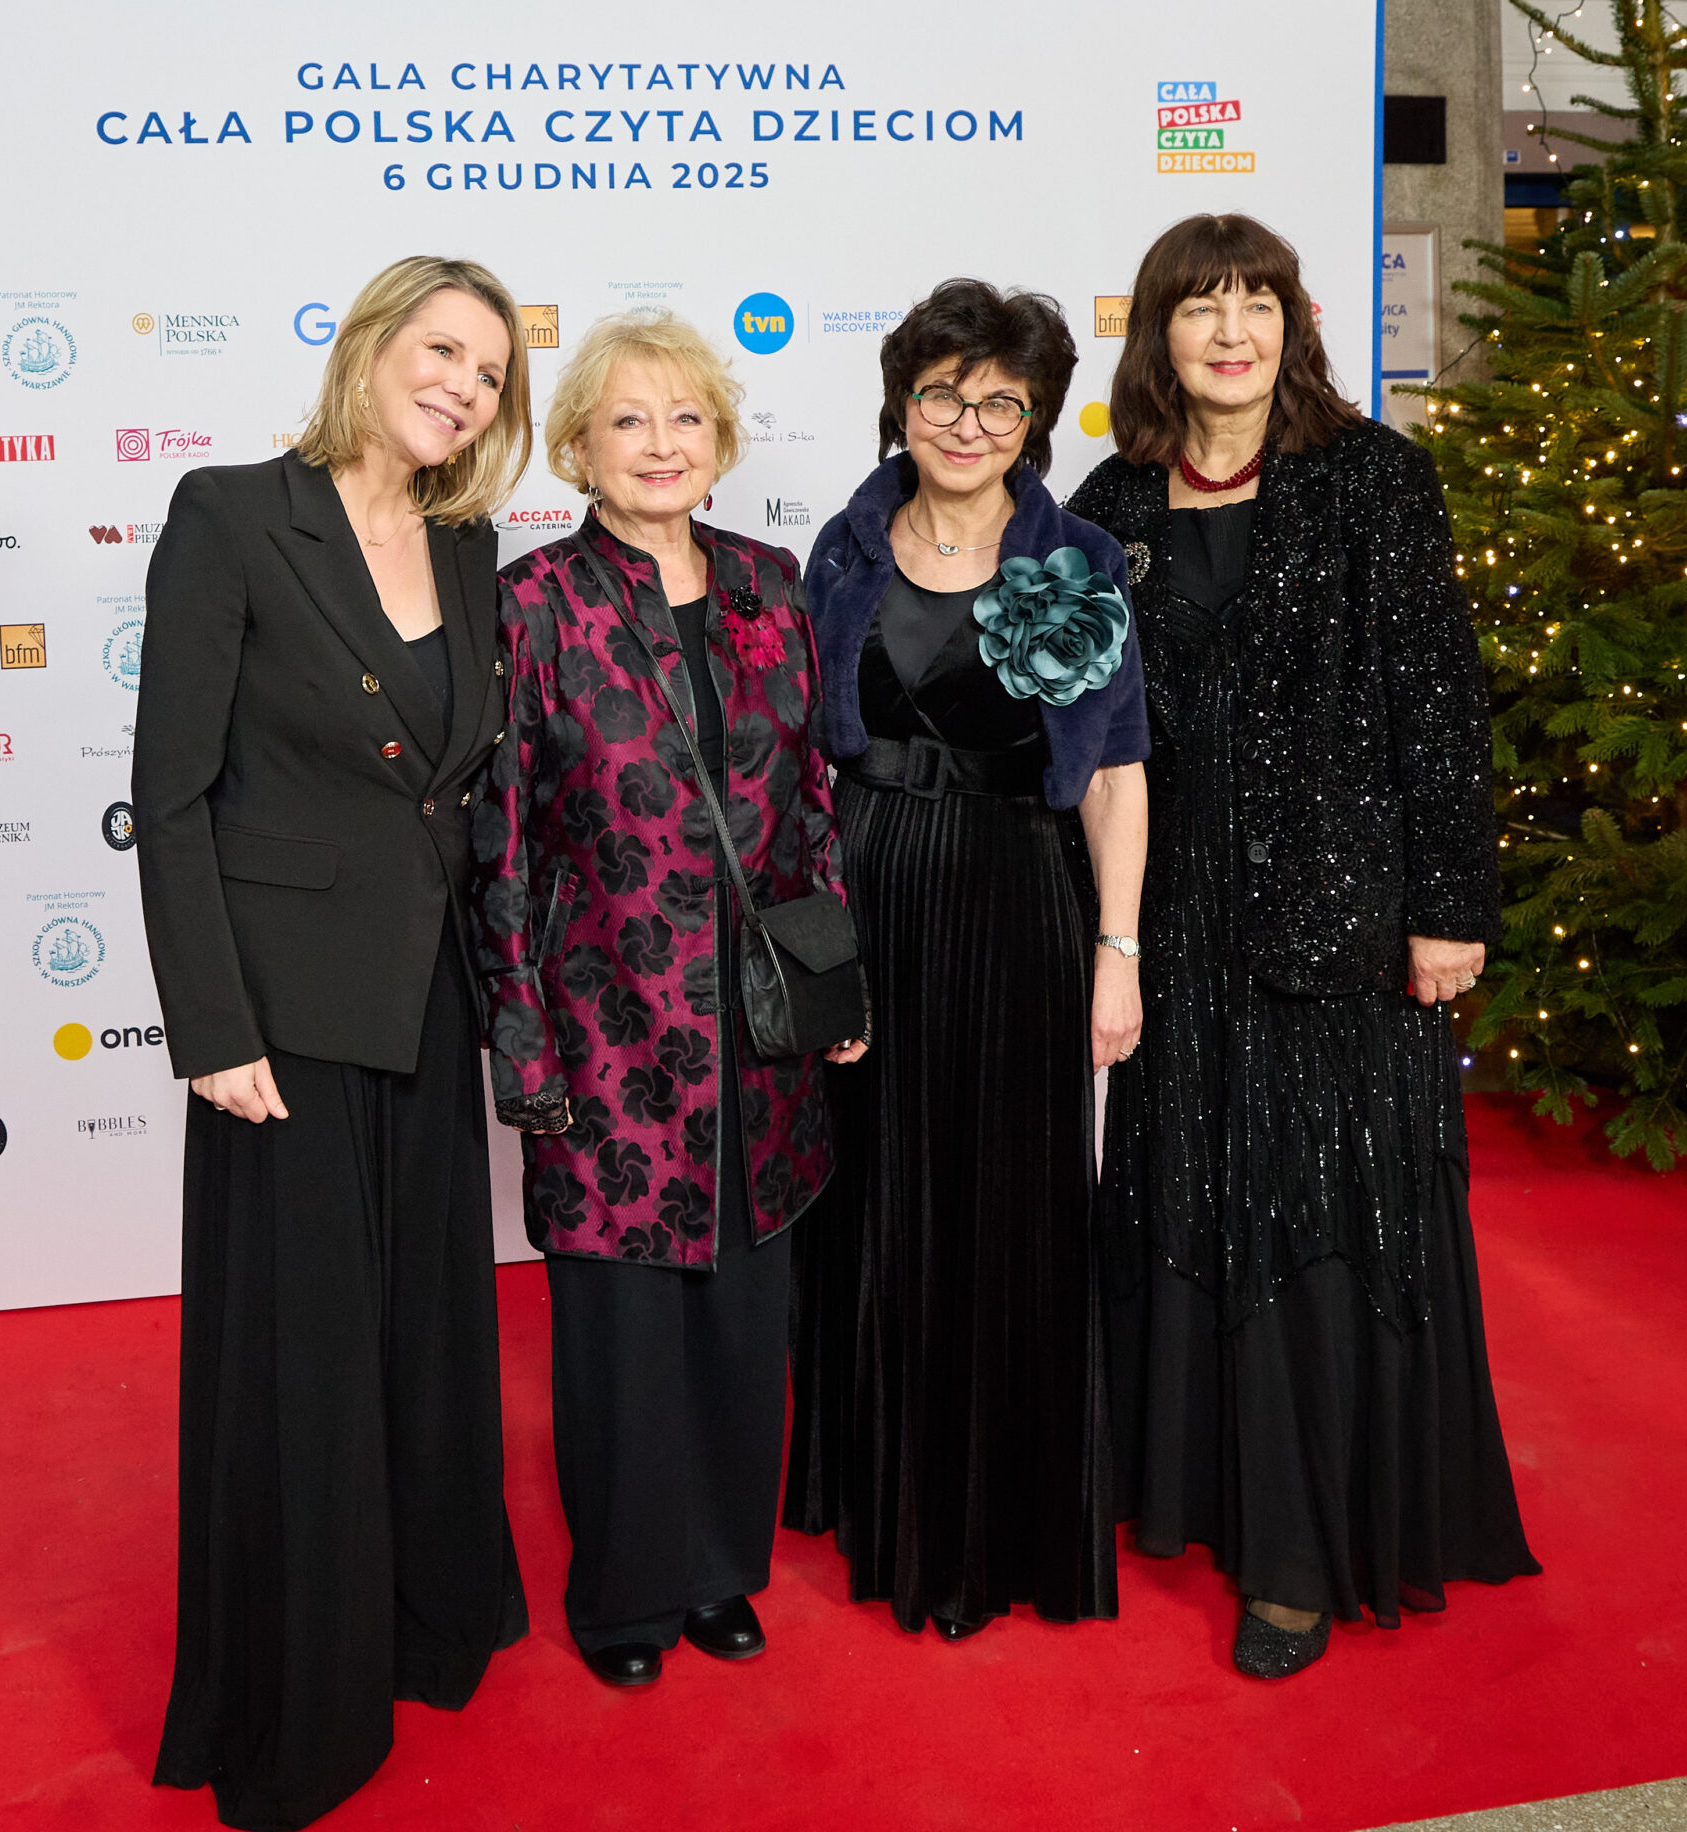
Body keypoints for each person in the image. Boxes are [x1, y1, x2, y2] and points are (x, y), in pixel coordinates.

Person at [1066, 213, 1538, 1678]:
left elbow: (1438, 701)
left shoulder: (1374, 478)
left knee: (1320, 1211)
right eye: (1201, 307)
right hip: (1175, 929)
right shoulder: (1108, 502)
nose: (1232, 333)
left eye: (1257, 304)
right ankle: (1201, 1492)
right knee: (1196, 1192)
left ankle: (1300, 1553)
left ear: (1293, 324)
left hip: (1342, 922)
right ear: (1159, 333)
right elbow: (1081, 734)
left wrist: (1449, 905)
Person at [135, 254, 533, 1829]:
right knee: (302, 1365)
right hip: (281, 1024)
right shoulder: (233, 515)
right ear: (369, 345)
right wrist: (211, 1023)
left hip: (429, 1005)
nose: (462, 387)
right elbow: (171, 794)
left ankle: (427, 1623)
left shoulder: (471, 545)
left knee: (425, 1340)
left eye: (490, 373)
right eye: (442, 350)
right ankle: (301, 1700)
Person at [471, 311, 866, 1690]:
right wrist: (524, 1044)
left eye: (685, 418)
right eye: (628, 421)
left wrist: (832, 981)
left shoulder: (770, 583)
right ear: (579, 447)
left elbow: (811, 806)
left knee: (747, 1325)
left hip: (761, 1035)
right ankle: (628, 1594)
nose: (660, 445)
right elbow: (501, 846)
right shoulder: (535, 604)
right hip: (610, 1028)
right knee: (623, 1337)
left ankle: (719, 1572)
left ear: (722, 441)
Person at [786, 280, 1150, 1640]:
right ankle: (881, 1497)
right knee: (872, 1195)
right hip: (867, 894)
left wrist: (1117, 951)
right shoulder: (842, 547)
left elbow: (1116, 774)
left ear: (1037, 418)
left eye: (1003, 401)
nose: (968, 422)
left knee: (1007, 1199)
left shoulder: (1082, 559)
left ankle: (996, 1519)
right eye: (944, 393)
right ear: (903, 399)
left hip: (1016, 900)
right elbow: (798, 757)